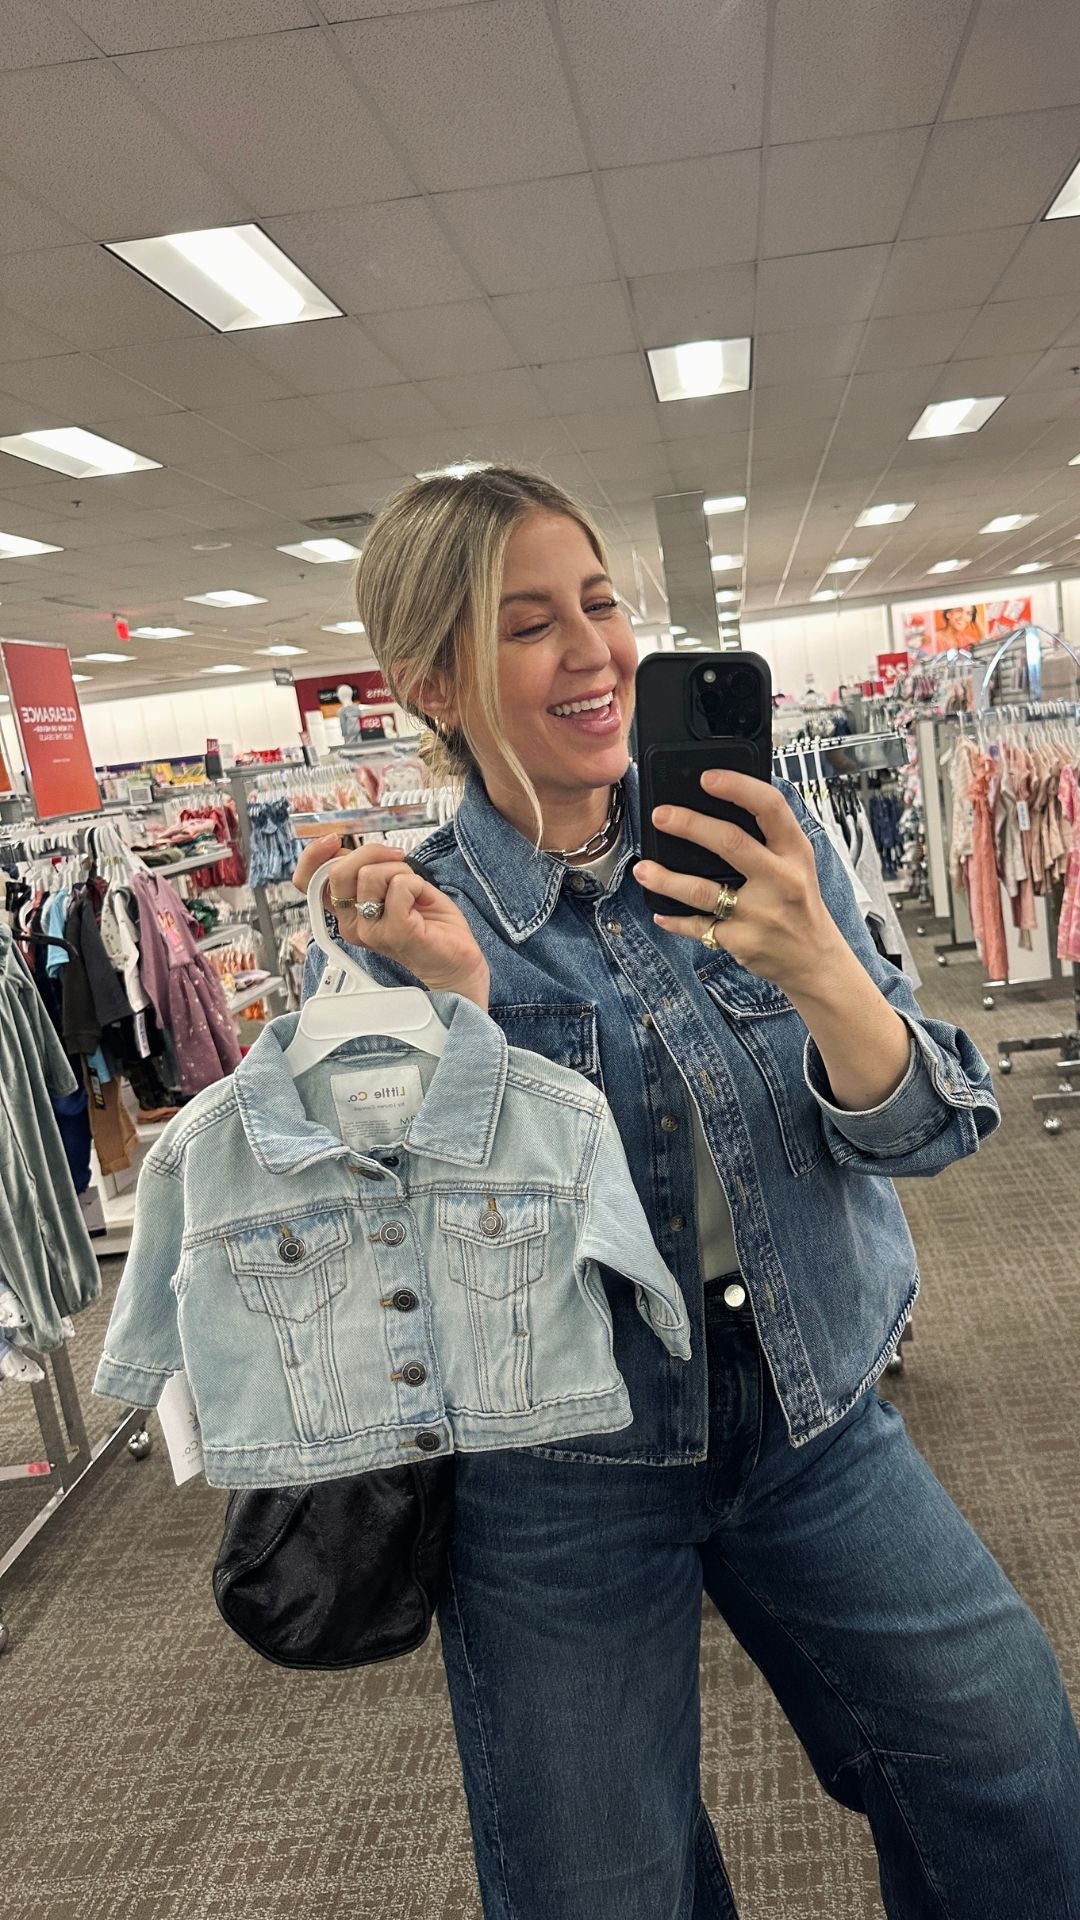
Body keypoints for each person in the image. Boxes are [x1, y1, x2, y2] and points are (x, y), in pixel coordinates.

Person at [295, 467, 1080, 1920]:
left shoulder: (765, 844)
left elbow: (925, 1133)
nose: (593, 649)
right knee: (607, 1891)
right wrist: (462, 1011)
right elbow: (400, 1294)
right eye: (527, 624)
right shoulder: (389, 929)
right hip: (556, 1472)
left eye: (599, 602)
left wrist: (823, 969)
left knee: (1016, 1771)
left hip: (813, 1414)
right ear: (432, 684)